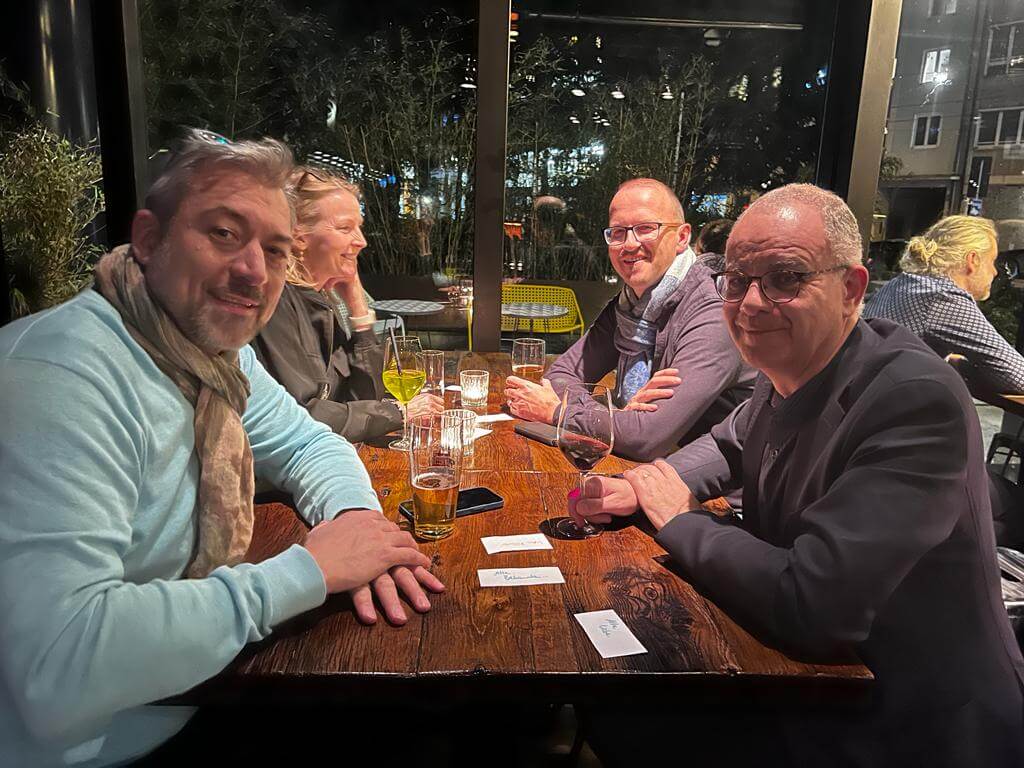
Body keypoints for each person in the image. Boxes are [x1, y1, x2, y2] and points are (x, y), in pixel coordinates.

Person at [0, 131, 443, 767]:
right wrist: (308, 572)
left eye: (275, 249)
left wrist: (356, 525)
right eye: (225, 233)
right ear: (148, 239)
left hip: (193, 695)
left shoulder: (213, 358)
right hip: (99, 747)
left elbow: (308, 442)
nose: (254, 271)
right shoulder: (60, 375)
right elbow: (58, 666)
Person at [571, 184, 1024, 766]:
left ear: (851, 289)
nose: (751, 304)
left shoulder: (913, 397)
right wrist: (640, 485)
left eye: (786, 278)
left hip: (903, 722)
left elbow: (813, 601)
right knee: (612, 704)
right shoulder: (789, 368)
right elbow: (729, 444)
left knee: (628, 716)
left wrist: (680, 519)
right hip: (816, 682)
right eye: (737, 280)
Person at [505, 179, 755, 462]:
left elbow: (645, 438)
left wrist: (557, 411)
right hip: (656, 465)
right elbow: (560, 375)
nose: (629, 244)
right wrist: (613, 416)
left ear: (682, 237)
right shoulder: (630, 304)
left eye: (646, 228)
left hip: (715, 481)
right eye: (618, 232)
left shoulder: (713, 313)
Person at [251, 167, 440, 443]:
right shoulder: (274, 303)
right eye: (345, 228)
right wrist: (398, 412)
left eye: (359, 227)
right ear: (298, 235)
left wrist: (357, 306)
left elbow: (361, 397)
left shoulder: (320, 300)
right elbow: (300, 417)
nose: (361, 242)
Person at [864, 215, 1024, 394]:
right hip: (887, 406)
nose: (995, 272)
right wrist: (968, 367)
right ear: (973, 260)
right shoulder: (943, 297)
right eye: (992, 261)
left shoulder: (903, 283)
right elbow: (1018, 375)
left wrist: (952, 361)